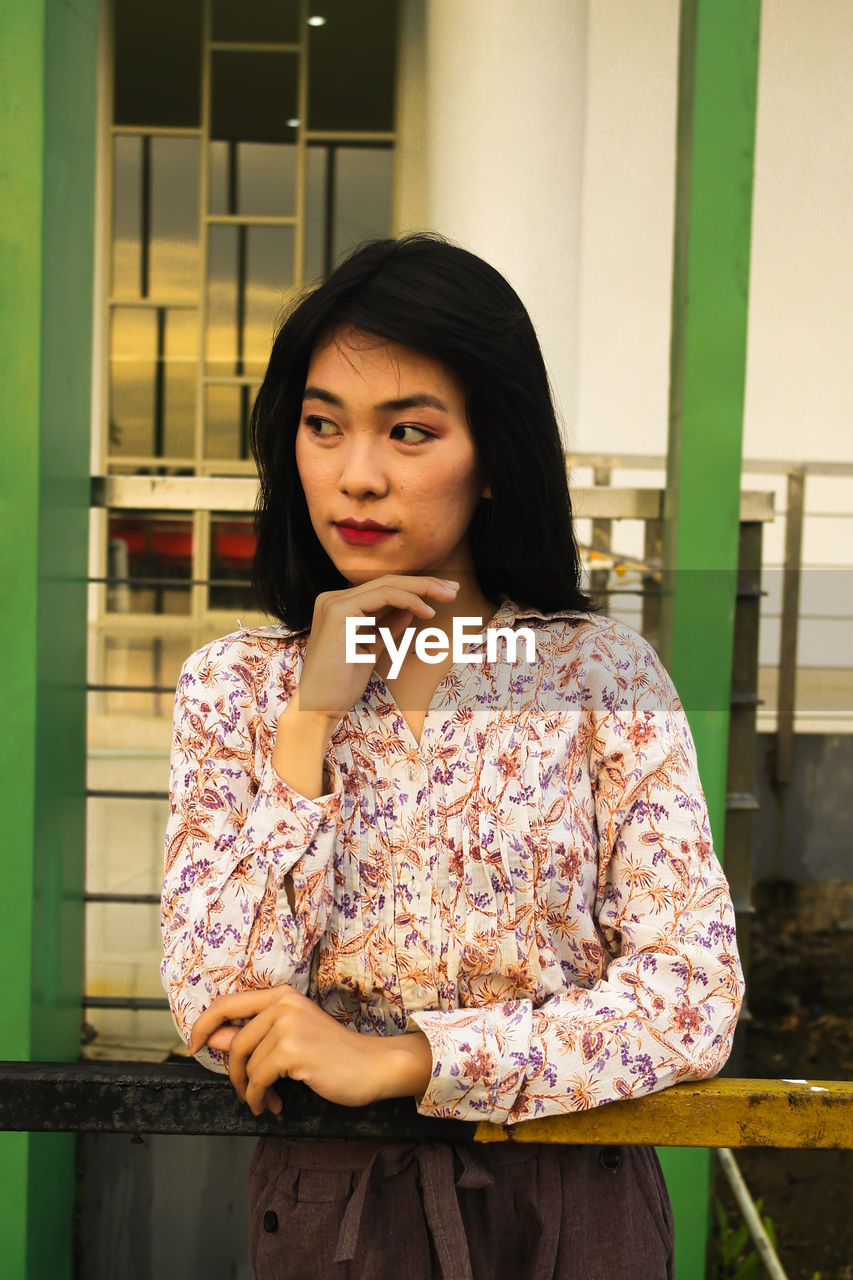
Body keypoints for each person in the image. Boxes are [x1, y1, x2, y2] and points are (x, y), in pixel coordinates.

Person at [161, 233, 744, 1279]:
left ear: (492, 458)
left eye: (411, 431)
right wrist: (310, 722)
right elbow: (218, 1001)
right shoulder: (236, 688)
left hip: (575, 1191)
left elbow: (690, 993)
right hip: (337, 1204)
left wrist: (411, 1057)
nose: (358, 475)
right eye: (321, 426)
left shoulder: (599, 676)